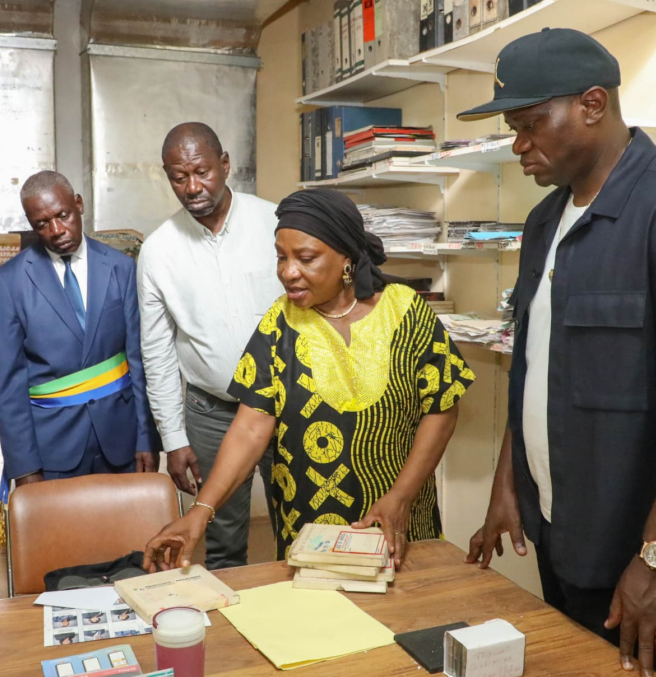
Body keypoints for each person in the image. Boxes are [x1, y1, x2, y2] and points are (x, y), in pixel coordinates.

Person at [459, 29, 656, 677]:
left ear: (594, 104)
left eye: (532, 123)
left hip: (636, 542)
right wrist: (509, 484)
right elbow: (534, 370)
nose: (519, 145)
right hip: (559, 523)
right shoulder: (543, 223)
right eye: (513, 127)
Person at [143, 188, 473, 569]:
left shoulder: (407, 311)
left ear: (346, 258)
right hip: (310, 532)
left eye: (306, 258)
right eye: (281, 257)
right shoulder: (279, 323)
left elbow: (442, 409)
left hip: (399, 523)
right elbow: (251, 428)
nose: (287, 271)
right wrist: (201, 510)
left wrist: (401, 496)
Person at [138, 122, 285, 569]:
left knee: (299, 526)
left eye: (202, 171)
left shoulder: (275, 222)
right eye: (178, 177)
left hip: (288, 405)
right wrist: (174, 437)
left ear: (225, 165)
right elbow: (158, 353)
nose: (192, 186)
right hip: (212, 413)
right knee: (219, 537)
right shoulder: (159, 251)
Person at [0, 171, 159, 487]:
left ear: (78, 204)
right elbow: (7, 384)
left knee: (128, 534)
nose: (56, 230)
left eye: (62, 215)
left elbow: (138, 360)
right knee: (61, 538)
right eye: (42, 224)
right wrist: (24, 467)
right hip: (53, 449)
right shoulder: (9, 282)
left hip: (121, 441)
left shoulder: (121, 267)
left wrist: (146, 437)